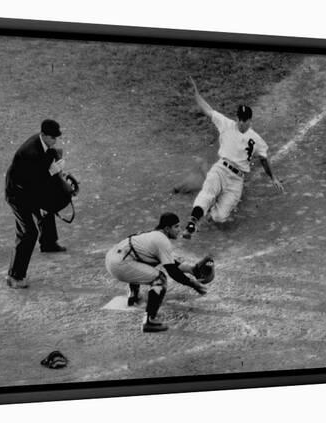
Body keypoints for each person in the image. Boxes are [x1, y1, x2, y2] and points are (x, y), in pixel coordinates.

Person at [183, 76, 284, 237]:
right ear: (237, 118)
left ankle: (210, 209)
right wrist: (196, 93)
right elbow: (207, 110)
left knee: (220, 217)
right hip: (220, 169)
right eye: (240, 119)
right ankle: (192, 222)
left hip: (236, 180)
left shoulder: (257, 139)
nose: (242, 123)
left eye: (246, 120)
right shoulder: (226, 124)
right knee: (206, 194)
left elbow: (264, 159)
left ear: (250, 120)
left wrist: (273, 178)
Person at [105, 212, 208, 333]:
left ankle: (134, 296)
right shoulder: (162, 241)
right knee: (159, 279)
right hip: (121, 265)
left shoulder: (152, 235)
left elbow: (169, 262)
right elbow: (172, 272)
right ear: (167, 228)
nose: (179, 230)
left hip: (113, 259)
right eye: (176, 227)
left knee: (143, 262)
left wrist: (190, 269)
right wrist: (192, 284)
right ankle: (149, 321)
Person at [4, 119, 68, 289]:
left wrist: (55, 165)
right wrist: (52, 171)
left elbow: (46, 162)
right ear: (44, 135)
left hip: (31, 188)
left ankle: (48, 243)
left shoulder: (43, 145)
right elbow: (32, 184)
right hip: (18, 194)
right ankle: (15, 276)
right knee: (28, 232)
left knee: (48, 207)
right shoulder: (30, 153)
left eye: (56, 137)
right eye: (52, 138)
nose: (55, 140)